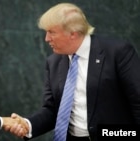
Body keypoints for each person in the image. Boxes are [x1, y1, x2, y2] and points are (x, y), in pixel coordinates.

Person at [8, 2, 140, 141]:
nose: (46, 39)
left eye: (52, 32)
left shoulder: (117, 52)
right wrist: (28, 125)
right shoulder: (54, 62)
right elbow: (53, 110)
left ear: (73, 34)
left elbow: (138, 101)